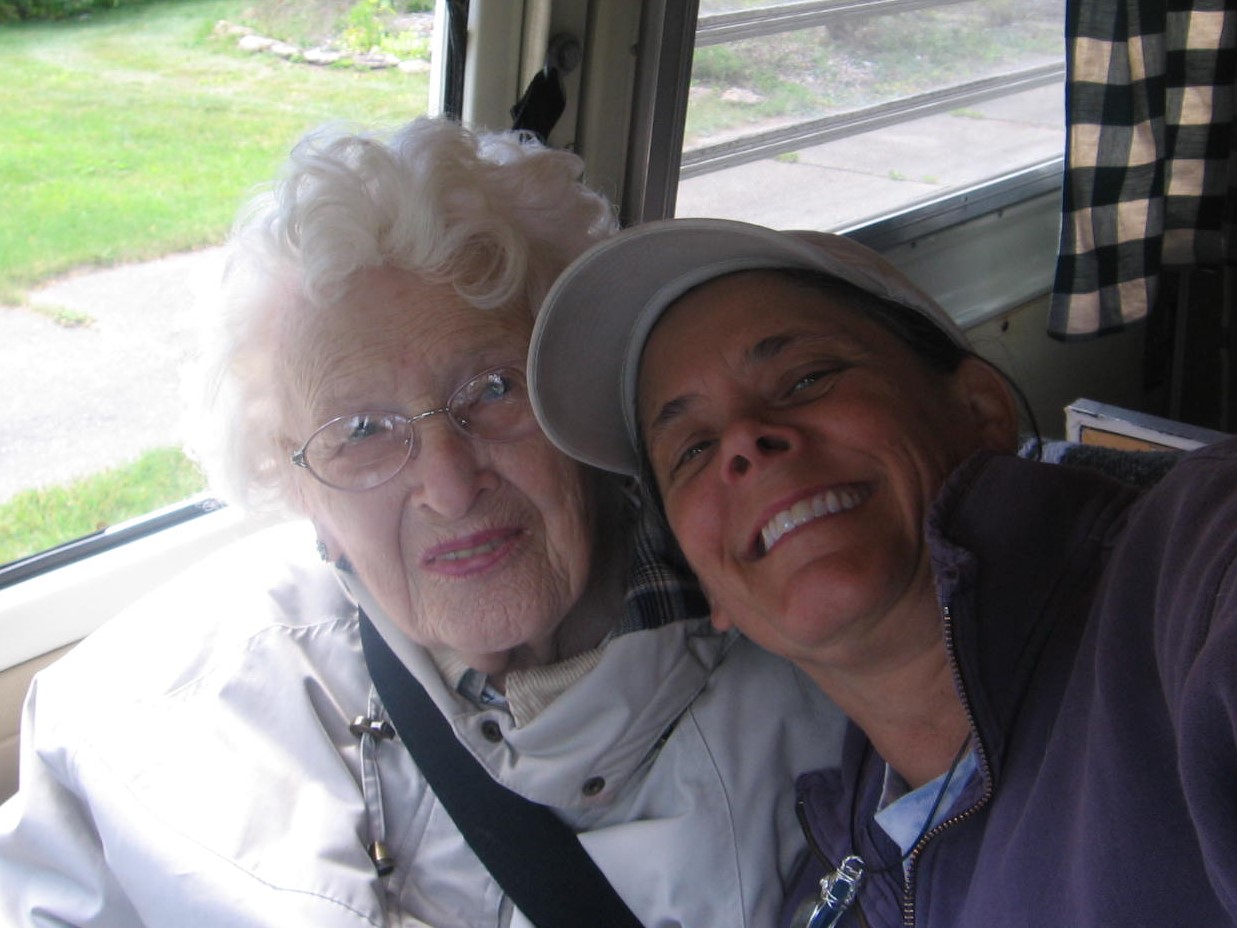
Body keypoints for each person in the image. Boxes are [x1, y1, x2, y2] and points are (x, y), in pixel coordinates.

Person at [0, 125, 848, 926]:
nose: (448, 484)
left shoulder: (822, 687)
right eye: (362, 433)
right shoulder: (140, 719)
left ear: (580, 400)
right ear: (293, 482)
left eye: (491, 389)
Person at [527, 217, 1237, 927]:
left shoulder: (1185, 582)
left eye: (806, 378)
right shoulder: (841, 859)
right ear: (709, 586)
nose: (742, 441)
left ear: (978, 411)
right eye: (691, 448)